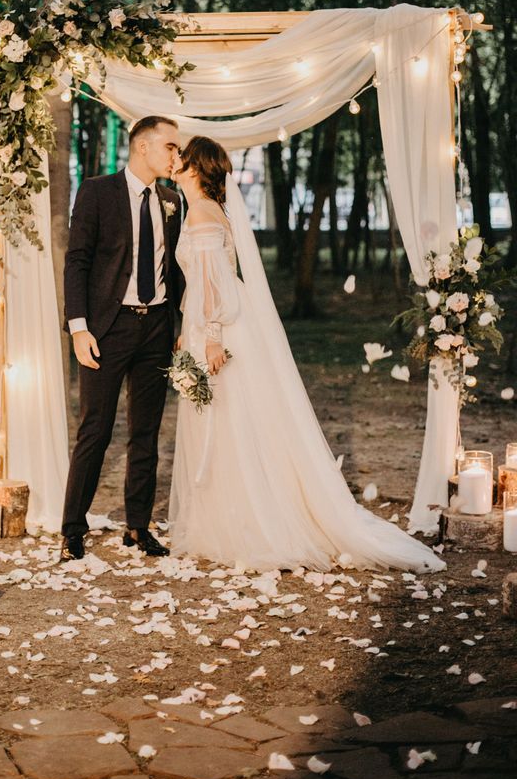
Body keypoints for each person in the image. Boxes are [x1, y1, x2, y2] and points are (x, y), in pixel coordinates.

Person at [169, 135, 445, 574]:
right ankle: (230, 517)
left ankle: (247, 522)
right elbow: (208, 279)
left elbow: (213, 282)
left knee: (229, 422)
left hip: (219, 326)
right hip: (213, 323)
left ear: (196, 168)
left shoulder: (202, 214)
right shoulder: (207, 211)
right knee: (230, 421)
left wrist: (212, 335)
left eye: (181, 158)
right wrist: (192, 330)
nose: (174, 163)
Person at [60, 116, 183, 562]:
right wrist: (78, 327)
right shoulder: (97, 191)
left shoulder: (172, 200)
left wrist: (180, 325)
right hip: (106, 329)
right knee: (95, 429)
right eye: (171, 147)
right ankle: (72, 528)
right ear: (144, 147)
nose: (177, 155)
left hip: (156, 328)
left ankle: (138, 526)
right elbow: (77, 261)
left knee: (146, 432)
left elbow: (178, 269)